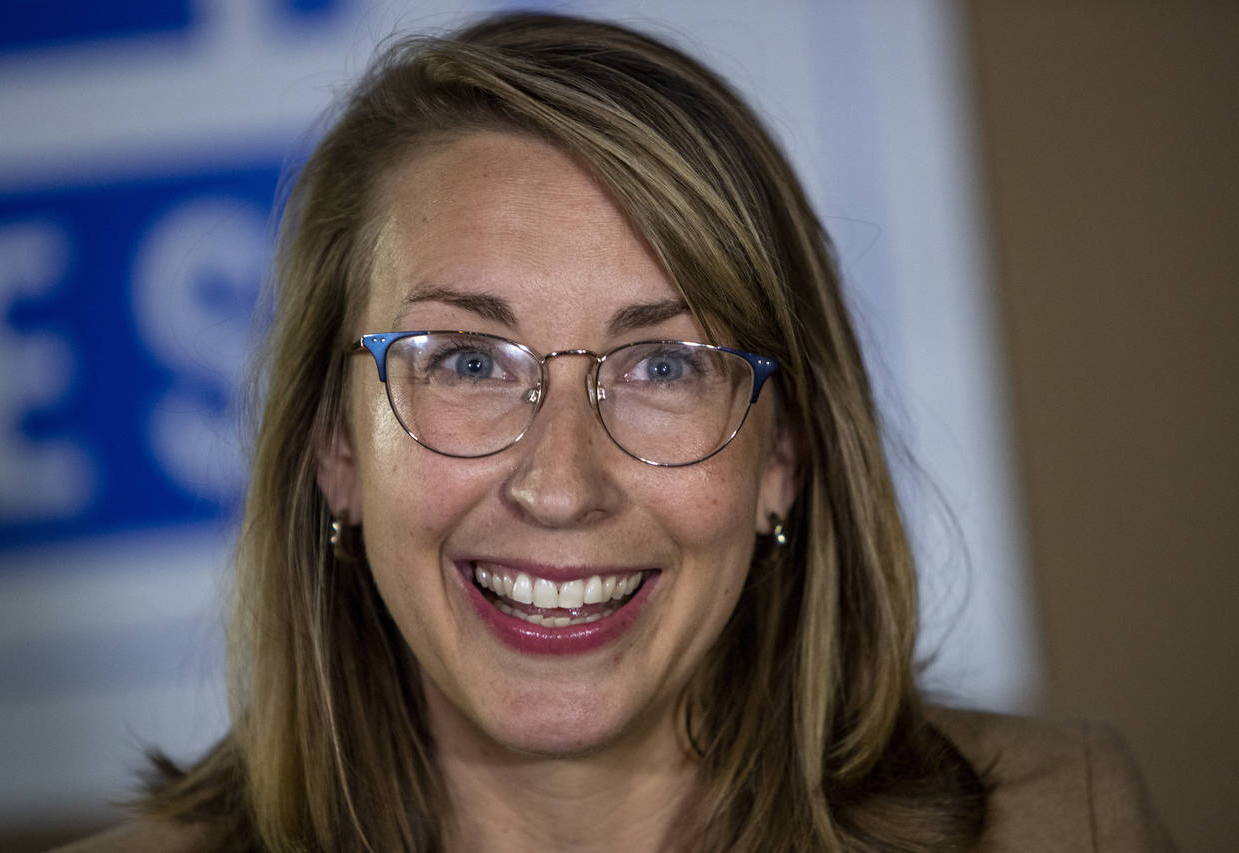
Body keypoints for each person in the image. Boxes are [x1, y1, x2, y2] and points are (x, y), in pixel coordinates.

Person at [58, 11, 1172, 852]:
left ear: (781, 458)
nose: (559, 484)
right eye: (467, 361)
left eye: (662, 365)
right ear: (333, 452)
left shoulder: (1058, 817)